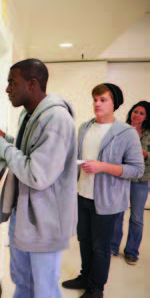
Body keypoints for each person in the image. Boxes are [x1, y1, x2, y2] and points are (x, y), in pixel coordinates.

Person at [0, 59, 78, 298]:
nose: (7, 89)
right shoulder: (29, 116)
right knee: (23, 282)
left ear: (32, 84)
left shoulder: (56, 119)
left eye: (12, 83)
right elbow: (28, 152)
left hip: (46, 222)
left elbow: (37, 174)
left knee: (44, 290)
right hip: (26, 218)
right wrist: (2, 138)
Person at [62, 84, 144, 298]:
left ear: (114, 103)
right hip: (82, 195)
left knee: (100, 247)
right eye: (95, 100)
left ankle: (96, 289)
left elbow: (137, 169)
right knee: (84, 240)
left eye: (103, 100)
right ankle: (85, 276)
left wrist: (102, 166)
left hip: (108, 201)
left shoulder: (126, 133)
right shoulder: (85, 127)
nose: (97, 104)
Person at [111, 100, 150, 265]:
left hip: (141, 180)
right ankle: (112, 246)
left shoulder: (149, 133)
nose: (137, 115)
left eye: (142, 113)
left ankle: (132, 251)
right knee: (117, 213)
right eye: (135, 111)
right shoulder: (121, 129)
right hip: (123, 178)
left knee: (136, 217)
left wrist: (146, 154)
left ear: (146, 117)